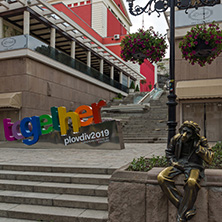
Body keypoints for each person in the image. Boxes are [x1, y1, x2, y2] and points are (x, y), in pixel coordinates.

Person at [157, 121, 214, 222]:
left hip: (194, 166)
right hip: (179, 164)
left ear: (193, 135)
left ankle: (182, 215)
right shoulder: (176, 139)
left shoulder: (200, 140)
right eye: (183, 131)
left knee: (192, 182)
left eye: (188, 133)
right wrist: (173, 162)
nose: (184, 135)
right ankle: (184, 205)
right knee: (161, 177)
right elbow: (169, 153)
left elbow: (210, 158)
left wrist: (199, 148)